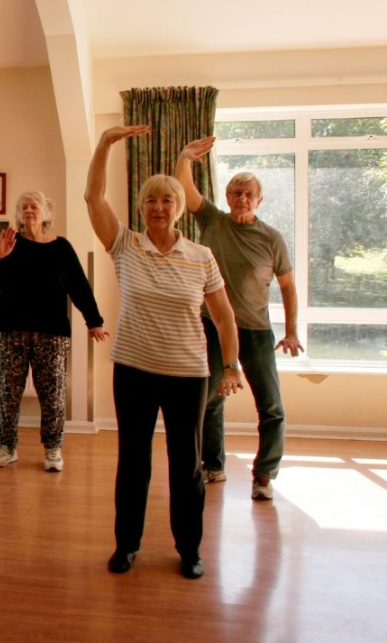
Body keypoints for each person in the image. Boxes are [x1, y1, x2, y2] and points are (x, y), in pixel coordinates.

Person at [84, 125, 243, 579]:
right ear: (142, 207)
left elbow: (224, 316)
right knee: (133, 461)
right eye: (151, 200)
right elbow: (93, 199)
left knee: (187, 465)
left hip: (189, 374)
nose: (158, 207)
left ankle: (189, 549)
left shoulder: (201, 256)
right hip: (133, 370)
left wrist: (230, 366)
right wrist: (104, 145)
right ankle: (126, 545)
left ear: (179, 209)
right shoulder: (125, 245)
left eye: (167, 200)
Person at [177, 137, 302, 501]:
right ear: (228, 197)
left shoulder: (272, 239)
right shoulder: (213, 221)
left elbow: (289, 289)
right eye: (235, 192)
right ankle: (213, 465)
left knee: (271, 406)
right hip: (212, 328)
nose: (241, 198)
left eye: (248, 193)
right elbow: (186, 189)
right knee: (210, 401)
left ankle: (264, 475)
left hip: (256, 332)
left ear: (259, 200)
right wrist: (185, 157)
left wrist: (291, 331)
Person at [0, 191, 108, 471]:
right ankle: (6, 447)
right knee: (8, 393)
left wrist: (94, 321)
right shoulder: (9, 241)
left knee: (53, 394)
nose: (28, 210)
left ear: (46, 212)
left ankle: (52, 449)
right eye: (23, 206)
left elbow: (79, 287)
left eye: (34, 206)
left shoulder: (61, 247)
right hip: (10, 329)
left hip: (52, 332)